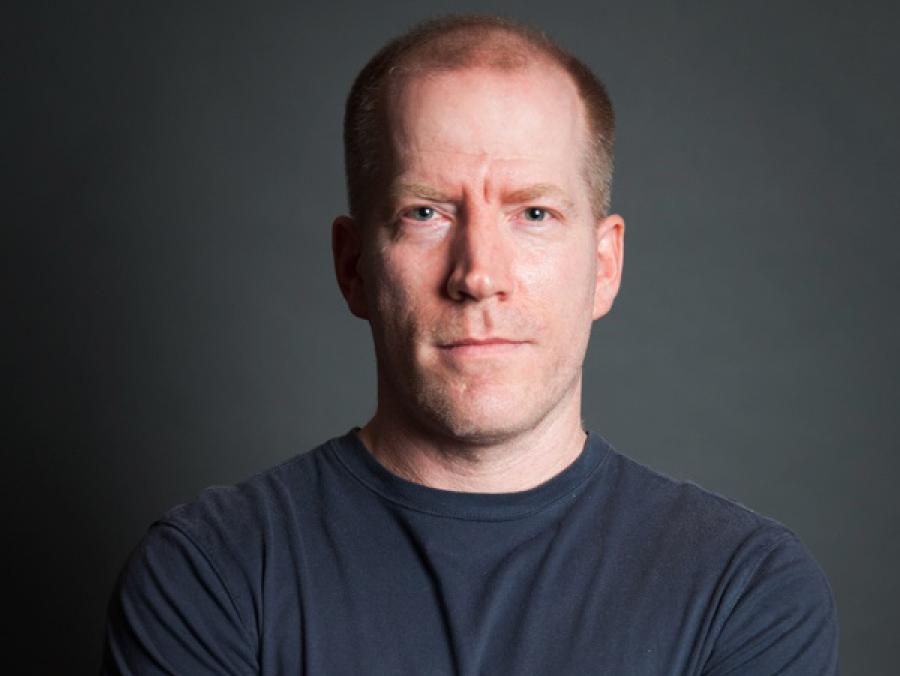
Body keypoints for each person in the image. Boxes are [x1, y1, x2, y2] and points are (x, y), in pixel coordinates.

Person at [102, 14, 839, 675]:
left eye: (534, 214)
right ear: (354, 268)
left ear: (605, 266)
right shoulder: (211, 573)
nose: (479, 275)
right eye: (426, 213)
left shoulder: (744, 590)